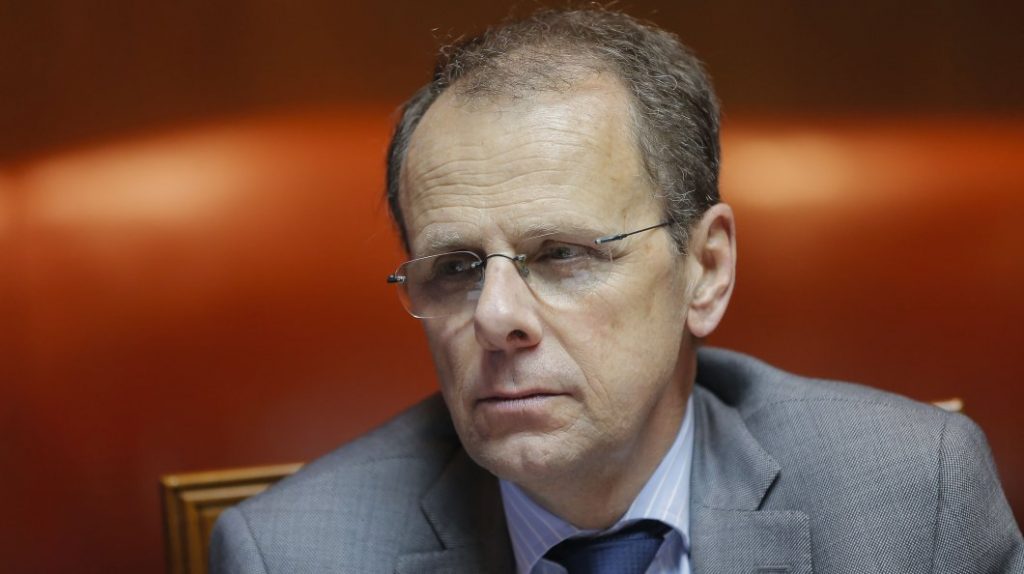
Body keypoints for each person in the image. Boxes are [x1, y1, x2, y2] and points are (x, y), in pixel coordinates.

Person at [210, 7, 1023, 573]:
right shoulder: (292, 555)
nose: (496, 317)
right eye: (456, 267)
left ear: (706, 270)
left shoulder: (911, 500)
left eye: (561, 254)